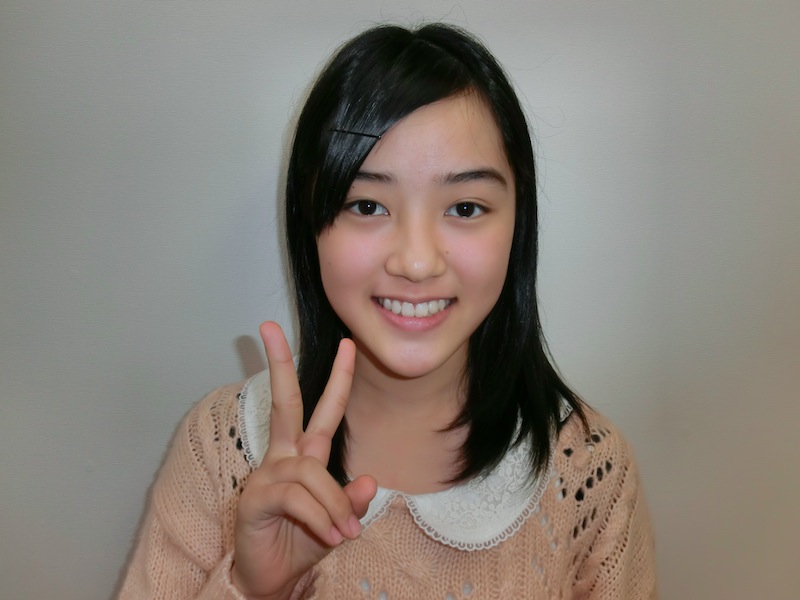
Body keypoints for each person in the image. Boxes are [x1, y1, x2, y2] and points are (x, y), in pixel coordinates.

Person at [118, 23, 657, 599]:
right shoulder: (221, 446)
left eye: (465, 208)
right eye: (367, 205)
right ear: (311, 225)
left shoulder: (588, 469)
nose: (417, 263)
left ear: (517, 226)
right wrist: (251, 589)